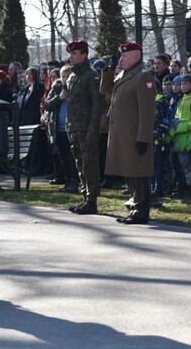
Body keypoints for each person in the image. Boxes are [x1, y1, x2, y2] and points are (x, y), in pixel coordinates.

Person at [101, 42, 157, 224]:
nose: (121, 59)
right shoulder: (123, 75)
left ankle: (141, 211)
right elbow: (105, 92)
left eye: (124, 56)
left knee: (138, 172)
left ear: (135, 56)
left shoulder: (143, 76)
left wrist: (143, 137)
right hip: (121, 133)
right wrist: (108, 71)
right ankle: (135, 208)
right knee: (128, 171)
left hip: (134, 133)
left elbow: (147, 110)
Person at [63, 40, 103, 214]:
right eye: (70, 54)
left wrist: (93, 129)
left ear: (84, 55)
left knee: (89, 164)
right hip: (74, 127)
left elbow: (97, 104)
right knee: (80, 164)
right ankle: (84, 196)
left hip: (86, 127)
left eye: (74, 53)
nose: (71, 57)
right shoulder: (72, 76)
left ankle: (91, 199)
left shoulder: (91, 75)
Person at [171, 74, 191, 193]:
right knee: (184, 163)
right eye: (182, 84)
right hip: (182, 138)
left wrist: (184, 127)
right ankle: (188, 183)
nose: (183, 86)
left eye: (186, 84)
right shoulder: (180, 101)